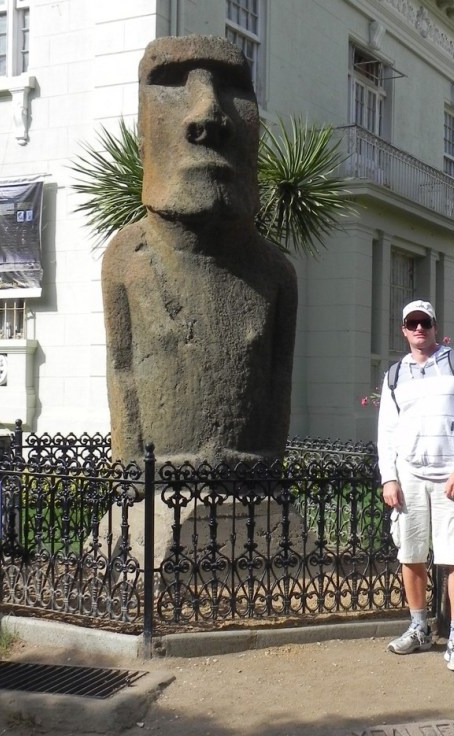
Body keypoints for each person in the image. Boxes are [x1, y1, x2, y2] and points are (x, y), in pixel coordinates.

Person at [101, 35, 297, 467]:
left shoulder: (275, 272)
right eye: (171, 83)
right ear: (142, 133)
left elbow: (279, 381)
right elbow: (122, 371)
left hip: (250, 491)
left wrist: (261, 465)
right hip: (157, 487)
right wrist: (134, 473)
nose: (207, 114)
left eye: (233, 87)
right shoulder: (127, 255)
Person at [377, 300, 454, 673]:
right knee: (410, 554)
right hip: (408, 476)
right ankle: (419, 628)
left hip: (449, 477)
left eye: (425, 322)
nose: (419, 329)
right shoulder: (395, 375)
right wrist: (389, 477)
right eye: (412, 323)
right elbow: (386, 431)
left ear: (435, 326)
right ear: (404, 330)